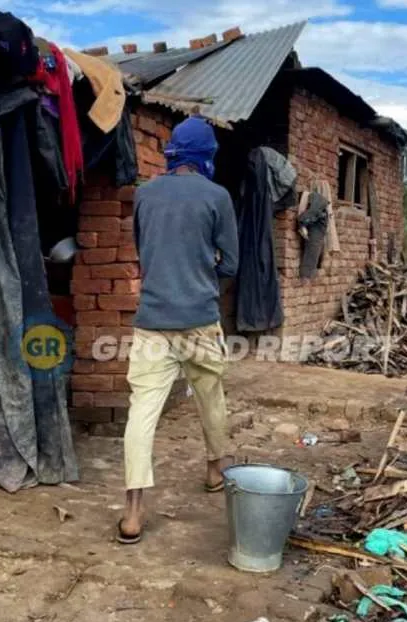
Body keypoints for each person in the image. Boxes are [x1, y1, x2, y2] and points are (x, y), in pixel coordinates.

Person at [117, 114, 240, 544]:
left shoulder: (145, 194)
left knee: (142, 411)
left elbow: (143, 251)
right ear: (206, 157)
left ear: (172, 155)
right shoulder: (217, 196)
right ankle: (214, 470)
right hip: (200, 320)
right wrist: (203, 278)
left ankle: (133, 513)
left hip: (152, 321)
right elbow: (231, 262)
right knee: (211, 396)